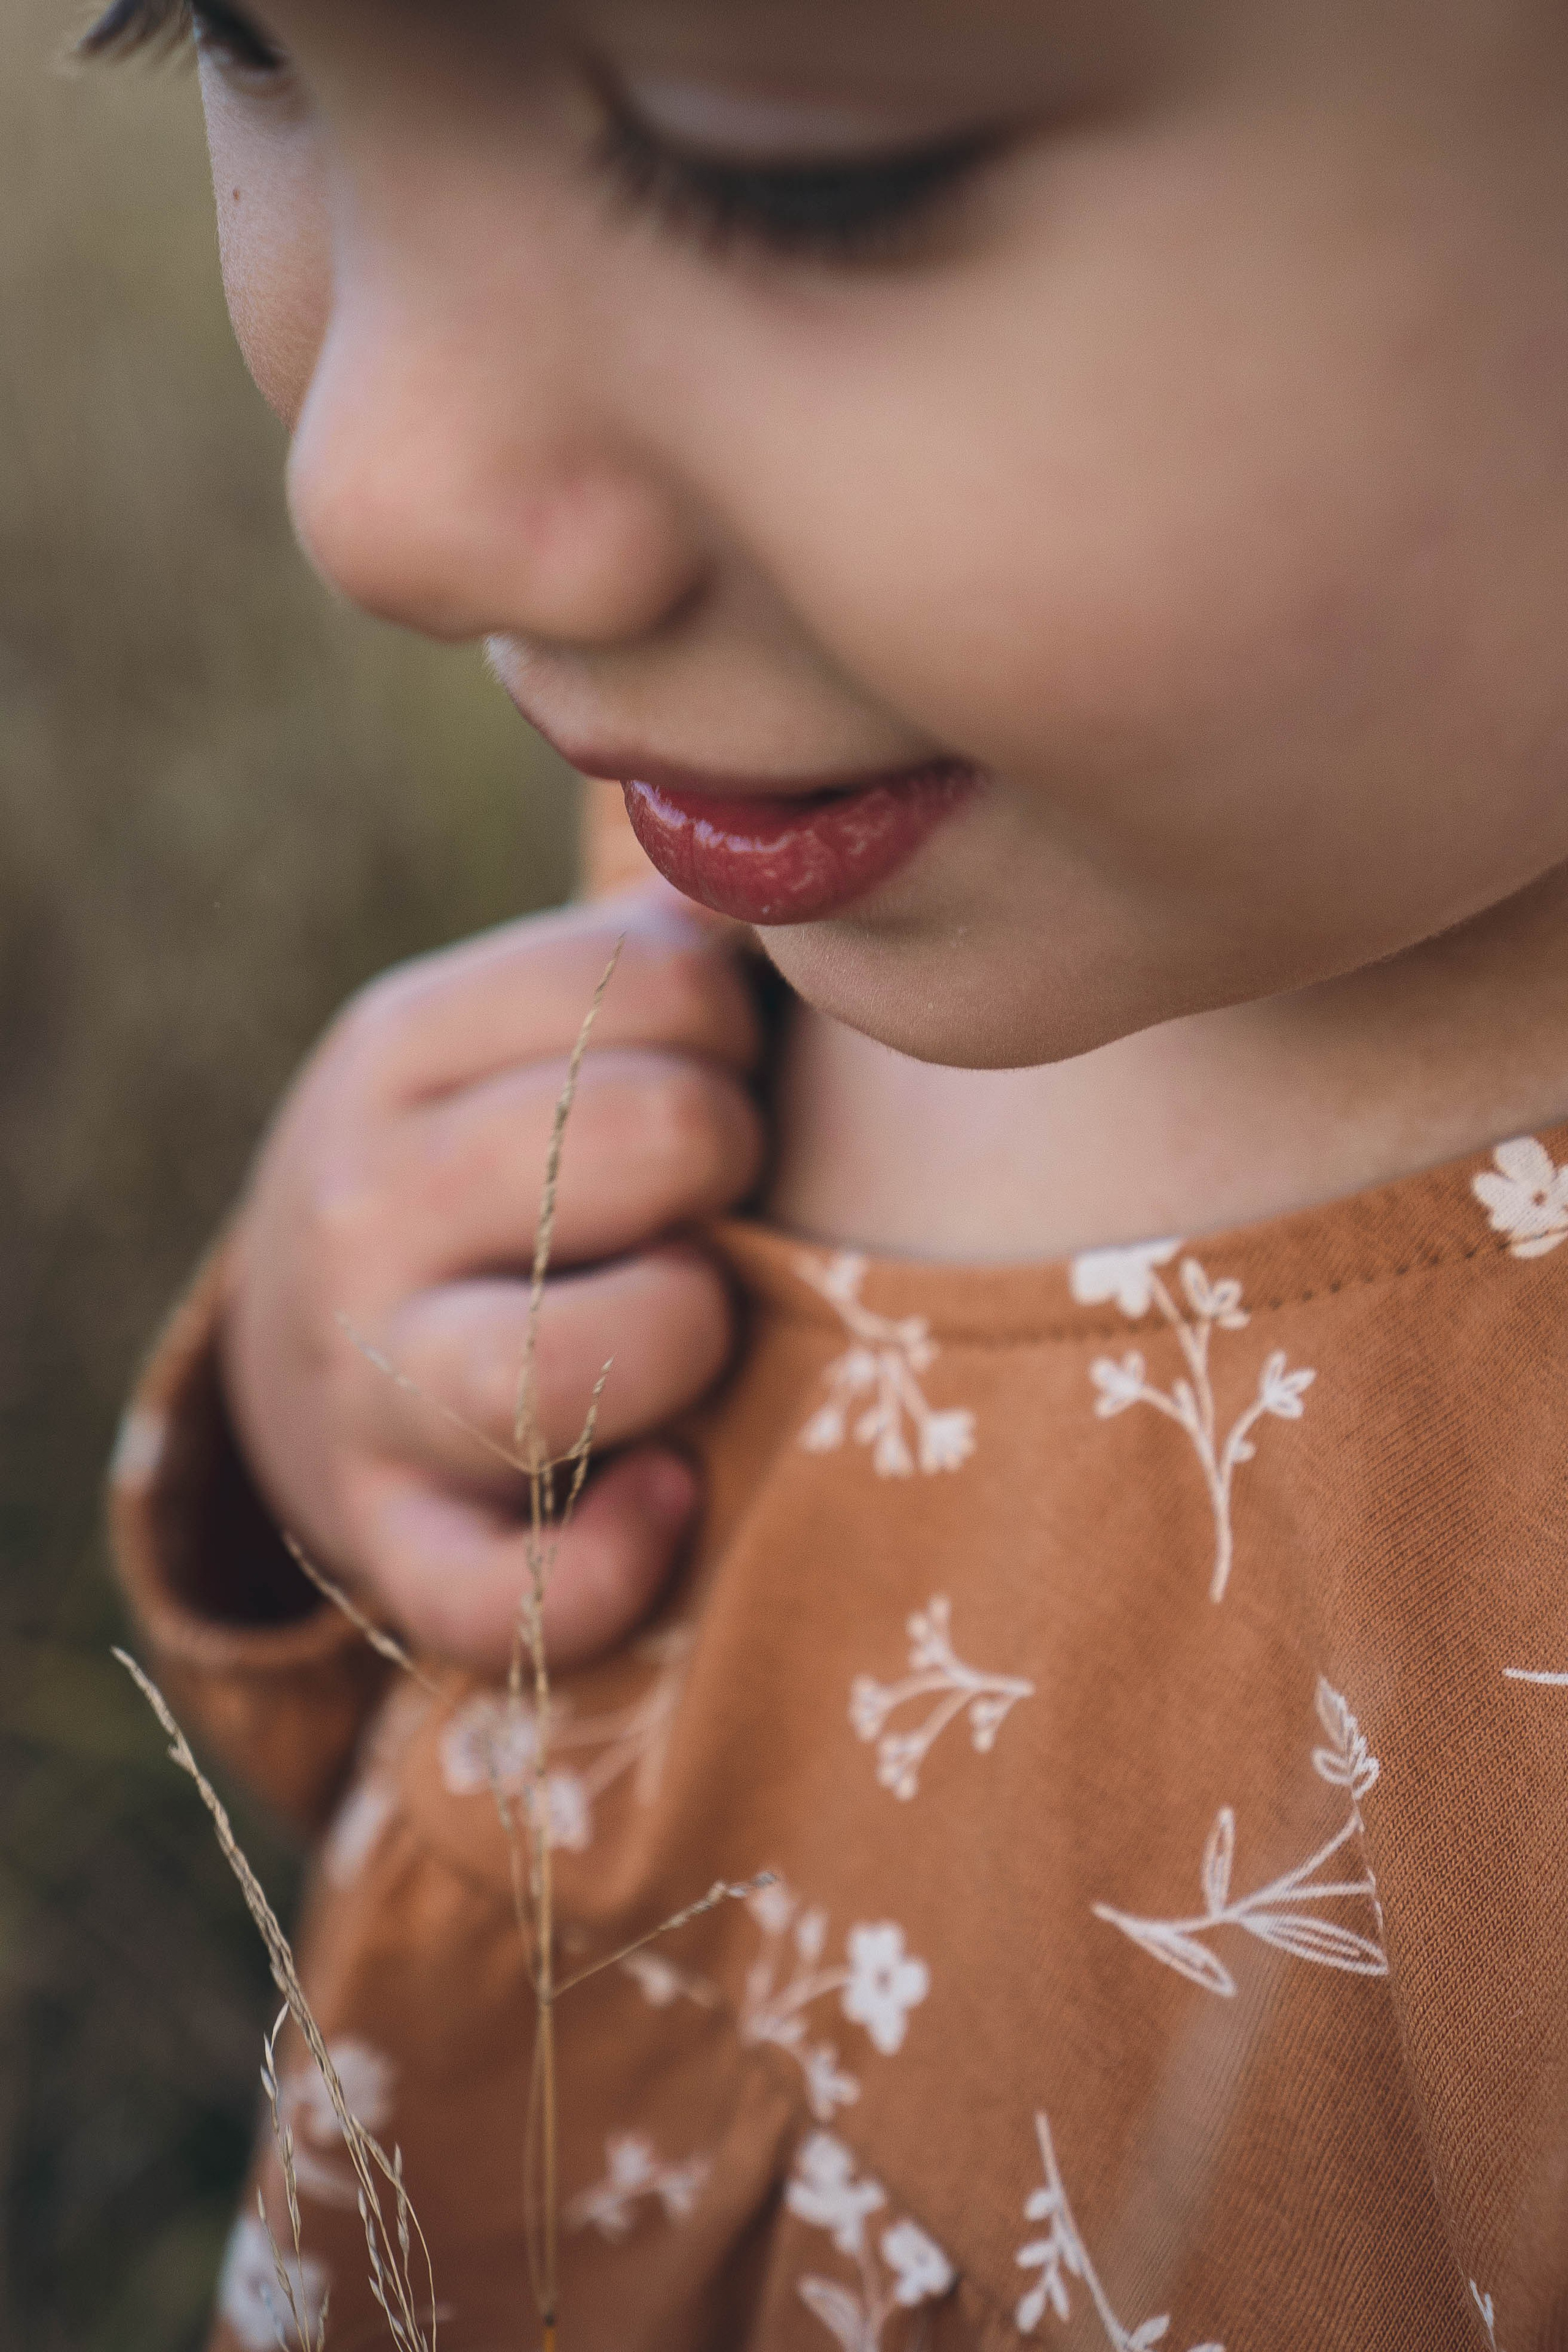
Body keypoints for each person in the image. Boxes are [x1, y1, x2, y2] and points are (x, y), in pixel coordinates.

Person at [94, 0, 1568, 2343]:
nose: (375, 489)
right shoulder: (792, 836)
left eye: (781, 168)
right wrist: (355, 1414)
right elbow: (488, 1819)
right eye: (242, 38)